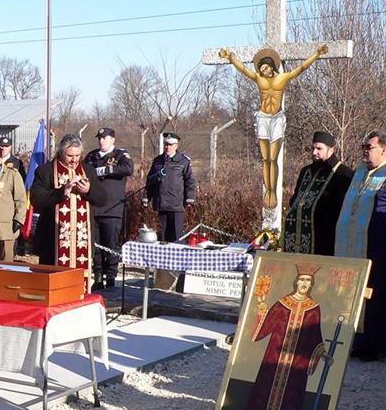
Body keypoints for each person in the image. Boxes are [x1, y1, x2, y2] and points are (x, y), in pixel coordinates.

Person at [220, 44, 328, 209]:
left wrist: (317, 54)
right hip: (263, 117)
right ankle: (268, 191)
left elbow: (301, 68)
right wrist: (231, 58)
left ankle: (274, 191)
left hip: (277, 118)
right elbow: (243, 69)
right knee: (265, 159)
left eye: (266, 68)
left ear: (272, 66)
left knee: (273, 158)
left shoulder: (282, 78)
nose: (264, 71)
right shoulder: (259, 79)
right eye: (261, 69)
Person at [236, 263, 326, 410]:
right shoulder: (282, 304)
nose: (304, 283)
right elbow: (265, 328)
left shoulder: (314, 308)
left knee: (291, 398)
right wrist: (261, 308)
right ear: (296, 282)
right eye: (302, 279)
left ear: (311, 284)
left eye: (308, 280)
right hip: (274, 358)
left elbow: (315, 336)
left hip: (296, 365)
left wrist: (321, 352)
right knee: (264, 391)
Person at [30, 134, 107, 292]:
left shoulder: (88, 171)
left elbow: (102, 199)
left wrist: (89, 190)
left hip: (81, 240)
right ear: (61, 152)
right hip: (52, 241)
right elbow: (36, 199)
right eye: (70, 156)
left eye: (77, 156)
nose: (74, 160)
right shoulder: (45, 171)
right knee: (51, 287)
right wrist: (62, 192)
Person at [335, 130, 386, 361]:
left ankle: (373, 344)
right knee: (352, 290)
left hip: (377, 245)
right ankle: (353, 338)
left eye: (369, 147)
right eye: (363, 147)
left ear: (384, 150)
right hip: (353, 244)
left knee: (375, 294)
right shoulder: (360, 173)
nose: (365, 151)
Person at [282, 131, 353, 256]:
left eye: (319, 149)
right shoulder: (306, 171)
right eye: (313, 148)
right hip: (298, 235)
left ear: (331, 150)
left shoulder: (344, 174)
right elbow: (296, 198)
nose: (314, 152)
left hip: (325, 239)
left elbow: (343, 208)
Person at [84, 127, 134, 290]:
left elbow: (127, 169)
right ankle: (98, 276)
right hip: (94, 207)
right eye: (99, 138)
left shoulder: (120, 155)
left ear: (112, 139)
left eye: (104, 138)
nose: (101, 141)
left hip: (112, 208)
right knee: (96, 246)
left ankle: (111, 277)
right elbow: (83, 171)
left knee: (111, 244)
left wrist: (105, 170)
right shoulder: (92, 156)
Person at [144, 133, 196, 243]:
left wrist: (190, 198)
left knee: (176, 237)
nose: (168, 147)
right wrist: (146, 197)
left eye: (171, 145)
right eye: (166, 144)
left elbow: (190, 181)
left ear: (176, 146)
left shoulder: (183, 161)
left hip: (177, 204)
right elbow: (150, 181)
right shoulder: (158, 161)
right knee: (163, 238)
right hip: (161, 204)